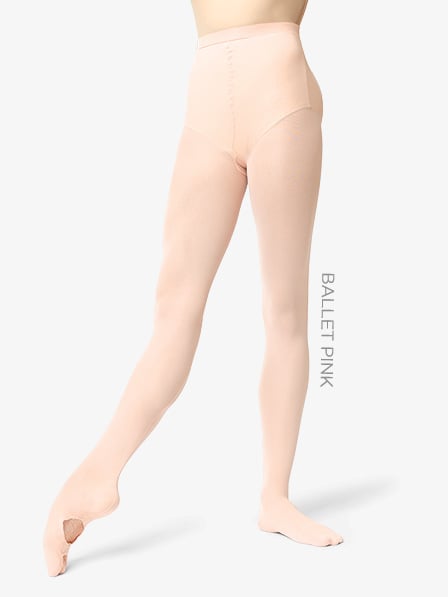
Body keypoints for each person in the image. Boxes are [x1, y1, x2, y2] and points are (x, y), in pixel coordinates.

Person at [43, 0, 343, 577]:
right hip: (207, 94)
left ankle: (275, 498)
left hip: (282, 91)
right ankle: (98, 473)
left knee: (284, 309)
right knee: (173, 309)